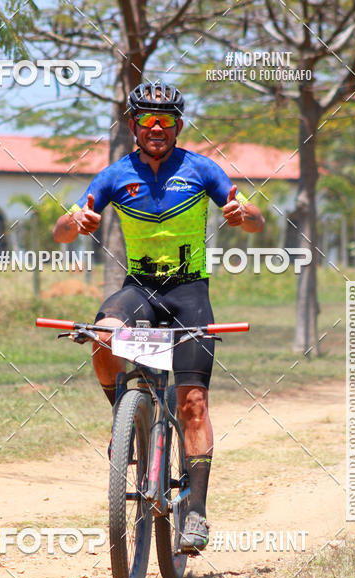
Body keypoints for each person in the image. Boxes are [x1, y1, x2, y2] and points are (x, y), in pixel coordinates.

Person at [53, 80, 264, 553]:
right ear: (133, 126)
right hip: (140, 290)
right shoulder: (114, 175)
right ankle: (124, 421)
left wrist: (243, 214)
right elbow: (62, 231)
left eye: (165, 120)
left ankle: (197, 512)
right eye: (146, 120)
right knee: (102, 334)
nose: (156, 128)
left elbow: (255, 219)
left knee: (193, 404)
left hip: (190, 293)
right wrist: (74, 222)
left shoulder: (201, 169)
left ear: (178, 126)